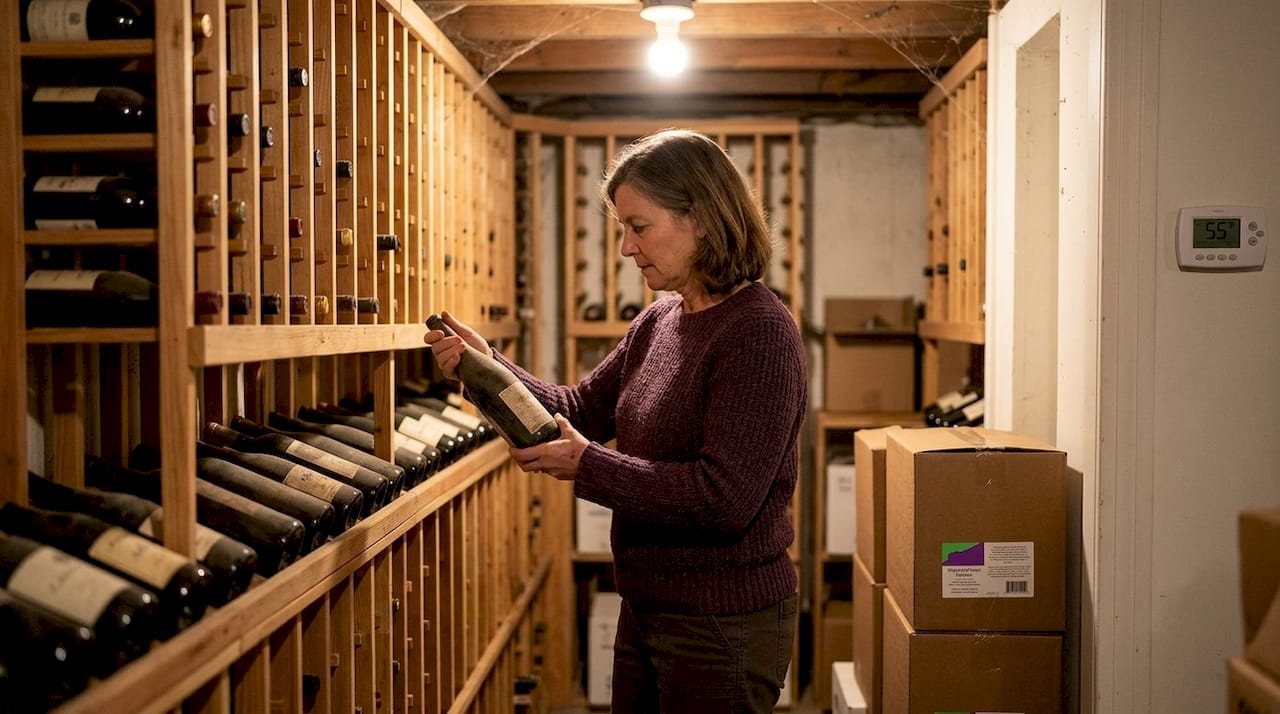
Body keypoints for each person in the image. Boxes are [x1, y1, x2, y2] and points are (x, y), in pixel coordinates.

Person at [425, 128, 806, 713]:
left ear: (701, 218)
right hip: (646, 606)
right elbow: (577, 410)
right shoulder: (659, 322)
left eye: (639, 226)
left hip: (723, 623)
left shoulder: (759, 332)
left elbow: (723, 498)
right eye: (621, 229)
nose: (626, 248)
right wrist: (485, 367)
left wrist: (589, 466)